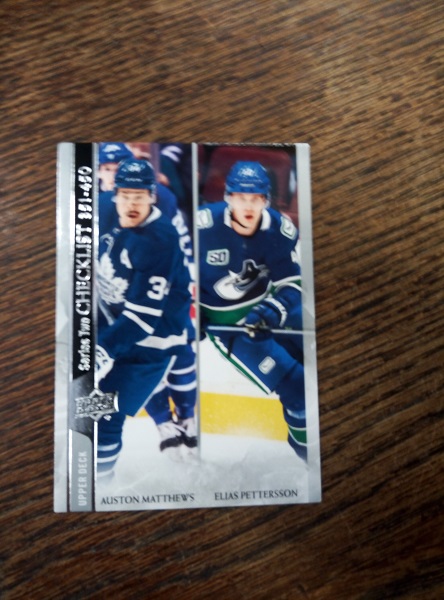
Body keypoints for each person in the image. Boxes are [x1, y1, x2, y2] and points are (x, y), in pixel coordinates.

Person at [198, 161, 307, 461]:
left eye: (255, 198)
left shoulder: (280, 230)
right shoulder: (202, 226)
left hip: (272, 310)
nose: (248, 205)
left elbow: (294, 284)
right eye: (241, 197)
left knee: (316, 370)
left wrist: (274, 308)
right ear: (228, 197)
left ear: (266, 200)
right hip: (230, 326)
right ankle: (309, 456)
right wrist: (190, 313)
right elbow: (175, 274)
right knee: (298, 390)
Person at [95, 158, 195, 482]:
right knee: (86, 407)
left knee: (104, 413)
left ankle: (100, 484)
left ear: (152, 196)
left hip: (153, 342)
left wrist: (101, 349)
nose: (131, 204)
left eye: (139, 196)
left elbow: (141, 319)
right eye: (125, 195)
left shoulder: (159, 240)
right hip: (113, 322)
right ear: (115, 194)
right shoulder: (103, 208)